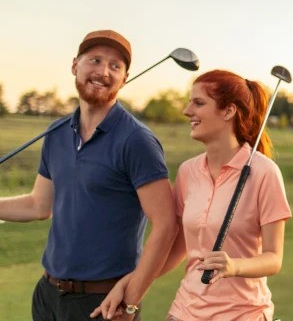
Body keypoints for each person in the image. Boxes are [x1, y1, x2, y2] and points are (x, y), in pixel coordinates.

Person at [0, 29, 177, 320]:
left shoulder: (137, 141)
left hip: (102, 303)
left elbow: (166, 225)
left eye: (115, 66)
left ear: (125, 78)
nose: (103, 72)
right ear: (75, 66)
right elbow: (38, 205)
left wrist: (131, 300)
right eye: (94, 60)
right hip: (48, 295)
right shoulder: (56, 132)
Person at [92, 69, 291, 321]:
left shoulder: (264, 173)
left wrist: (234, 266)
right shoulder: (188, 171)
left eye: (198, 103)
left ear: (228, 111)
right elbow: (177, 249)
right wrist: (130, 282)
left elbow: (274, 259)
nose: (187, 111)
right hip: (185, 310)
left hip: (243, 314)